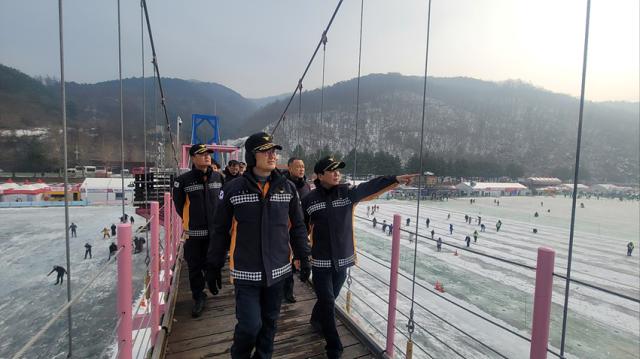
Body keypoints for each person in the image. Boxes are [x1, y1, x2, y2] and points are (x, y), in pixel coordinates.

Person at [207, 132, 311, 358]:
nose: (272, 155)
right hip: (246, 271)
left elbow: (298, 227)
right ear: (252, 156)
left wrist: (305, 257)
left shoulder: (288, 188)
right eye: (266, 151)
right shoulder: (233, 189)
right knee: (250, 326)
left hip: (279, 270)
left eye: (274, 151)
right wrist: (213, 264)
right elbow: (220, 230)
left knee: (270, 324)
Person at [302, 155, 415, 359]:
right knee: (328, 302)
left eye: (339, 170)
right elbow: (301, 228)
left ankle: (316, 320)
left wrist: (395, 179)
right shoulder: (309, 200)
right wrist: (302, 253)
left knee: (329, 299)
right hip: (320, 262)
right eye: (331, 170)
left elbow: (370, 187)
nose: (337, 173)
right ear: (319, 175)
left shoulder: (347, 194)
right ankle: (334, 347)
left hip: (343, 261)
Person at [173, 144, 224, 318]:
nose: (207, 156)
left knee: (215, 262)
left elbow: (223, 204)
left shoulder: (219, 178)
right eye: (202, 154)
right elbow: (180, 207)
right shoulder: (183, 181)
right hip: (194, 234)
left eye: (208, 153)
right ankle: (198, 297)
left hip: (216, 233)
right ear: (193, 157)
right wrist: (193, 221)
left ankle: (212, 278)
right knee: (194, 267)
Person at [282, 156, 312, 304]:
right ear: (289, 168)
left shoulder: (306, 186)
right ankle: (287, 291)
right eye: (298, 166)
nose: (301, 169)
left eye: (303, 167)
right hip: (285, 231)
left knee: (297, 259)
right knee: (287, 261)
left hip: (301, 231)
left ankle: (289, 287)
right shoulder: (282, 185)